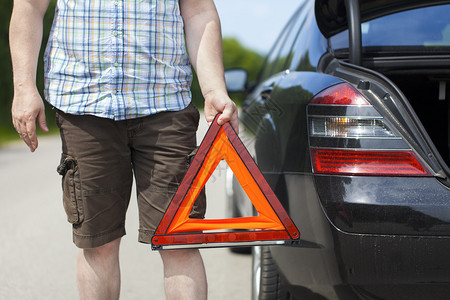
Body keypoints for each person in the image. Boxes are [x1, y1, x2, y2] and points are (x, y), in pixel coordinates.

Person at [10, 0, 238, 299]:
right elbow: (29, 6)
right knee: (97, 241)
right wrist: (25, 86)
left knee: (179, 239)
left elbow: (199, 12)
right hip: (84, 107)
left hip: (165, 105)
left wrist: (213, 89)